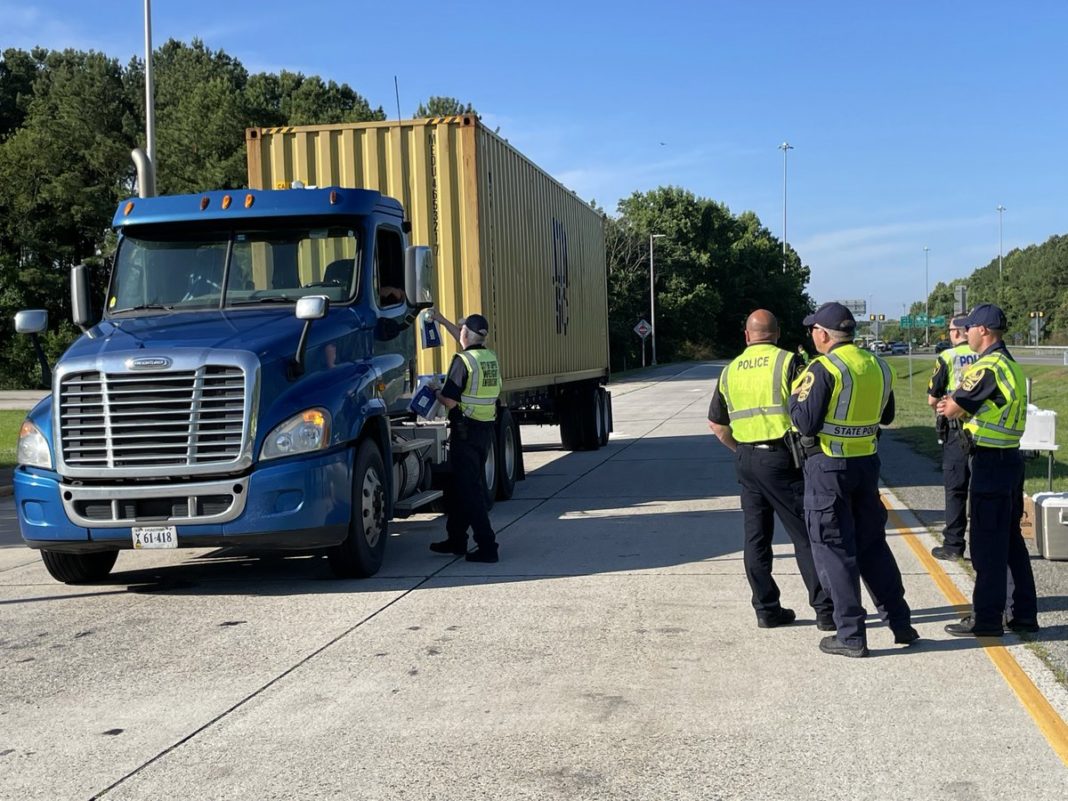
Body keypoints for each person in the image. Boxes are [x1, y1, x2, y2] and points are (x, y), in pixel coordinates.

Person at [789, 302, 918, 658]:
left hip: (828, 467)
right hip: (866, 464)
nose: (811, 334)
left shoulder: (824, 367)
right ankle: (900, 623)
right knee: (873, 546)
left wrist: (793, 399)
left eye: (813, 329)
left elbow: (805, 422)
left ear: (825, 334)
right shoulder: (877, 365)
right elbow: (887, 415)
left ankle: (850, 635)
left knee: (834, 550)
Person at [708, 310, 835, 630]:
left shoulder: (729, 371)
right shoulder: (789, 362)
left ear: (747, 336)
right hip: (782, 459)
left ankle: (766, 608)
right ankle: (825, 610)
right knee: (804, 535)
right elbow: (809, 408)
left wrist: (743, 449)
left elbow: (716, 424)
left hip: (747, 460)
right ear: (776, 334)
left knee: (756, 538)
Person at [937, 304, 1039, 636]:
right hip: (1010, 460)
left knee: (986, 545)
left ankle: (987, 618)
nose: (964, 333)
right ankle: (1023, 615)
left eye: (968, 328)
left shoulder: (989, 366)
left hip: (990, 464)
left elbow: (954, 407)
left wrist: (952, 404)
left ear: (984, 331)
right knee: (1010, 542)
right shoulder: (1009, 364)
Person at [428, 310, 501, 563]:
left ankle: (488, 545)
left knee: (470, 491)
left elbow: (449, 401)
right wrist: (440, 319)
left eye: (461, 329)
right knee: (460, 488)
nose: (459, 332)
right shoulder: (488, 357)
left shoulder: (463, 361)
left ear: (466, 334)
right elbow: (462, 338)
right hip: (484, 431)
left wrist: (435, 391)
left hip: (465, 432)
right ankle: (456, 539)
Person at [927, 317, 979, 561]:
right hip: (983, 431)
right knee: (981, 490)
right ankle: (981, 546)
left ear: (957, 332)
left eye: (949, 331)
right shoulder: (986, 355)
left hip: (957, 430)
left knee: (956, 489)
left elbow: (932, 399)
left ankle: (954, 545)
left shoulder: (947, 357)